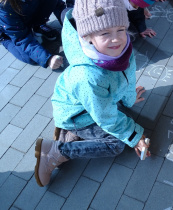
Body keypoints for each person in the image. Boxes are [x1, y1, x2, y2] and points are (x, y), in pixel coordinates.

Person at [34, 0, 150, 187]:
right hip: (77, 115)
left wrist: (128, 98)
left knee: (118, 112)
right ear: (88, 37)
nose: (116, 39)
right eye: (105, 33)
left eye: (120, 29)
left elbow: (127, 75)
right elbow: (106, 117)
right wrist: (135, 135)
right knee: (116, 145)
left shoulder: (122, 47)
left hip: (93, 103)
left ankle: (70, 135)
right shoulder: (88, 76)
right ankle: (57, 151)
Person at [0, 0, 71, 69]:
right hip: (12, 32)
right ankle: (5, 40)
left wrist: (72, 23)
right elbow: (21, 38)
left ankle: (38, 26)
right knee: (30, 58)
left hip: (25, 17)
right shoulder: (4, 7)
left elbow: (58, 5)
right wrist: (48, 58)